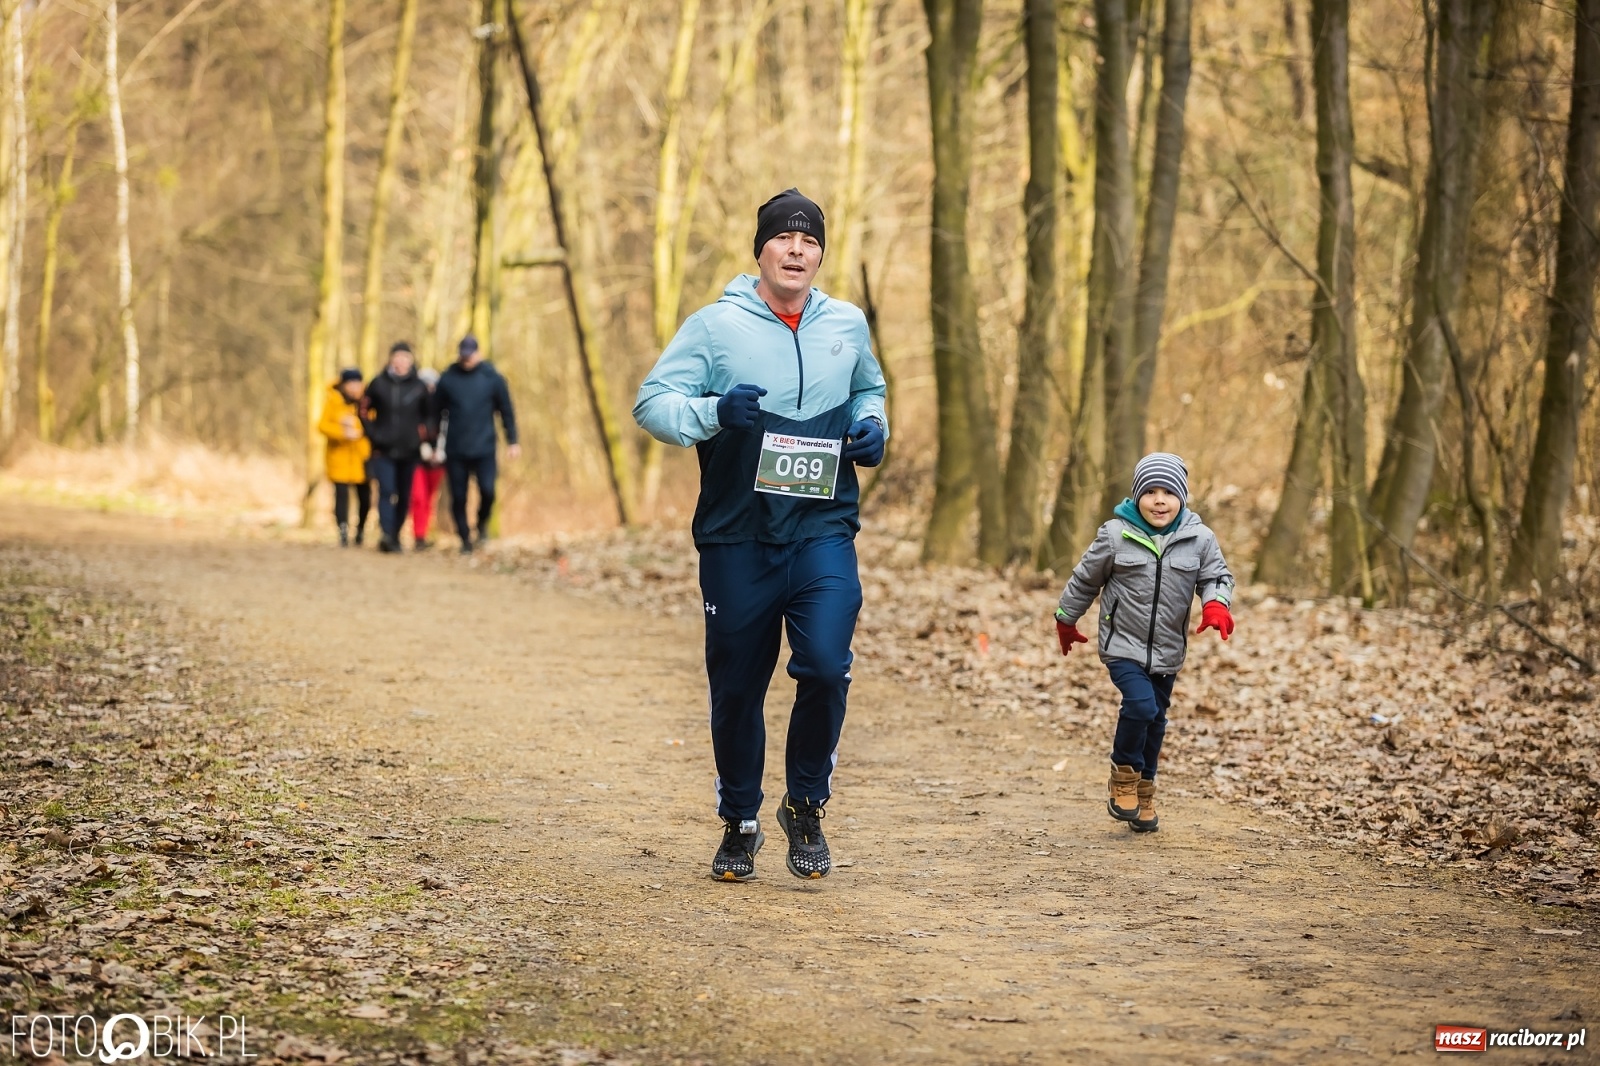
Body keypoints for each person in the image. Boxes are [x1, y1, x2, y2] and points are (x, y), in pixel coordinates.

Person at [633, 188, 888, 882]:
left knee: (827, 666)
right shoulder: (715, 327)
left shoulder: (847, 324)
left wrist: (873, 427)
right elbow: (652, 403)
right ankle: (740, 819)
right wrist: (714, 411)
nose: (796, 250)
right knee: (739, 687)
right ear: (761, 250)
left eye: (809, 241)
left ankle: (805, 804)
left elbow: (869, 390)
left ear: (820, 256)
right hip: (737, 534)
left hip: (822, 528)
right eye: (783, 238)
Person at [1053, 453, 1236, 834]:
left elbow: (1216, 577)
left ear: (1182, 497)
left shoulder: (1200, 539)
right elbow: (1085, 579)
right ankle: (1123, 775)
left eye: (1168, 493)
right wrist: (1066, 618)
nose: (1159, 500)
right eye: (1150, 492)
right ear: (1137, 496)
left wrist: (1216, 604)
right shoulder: (1115, 535)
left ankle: (1144, 789)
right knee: (1140, 705)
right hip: (1122, 643)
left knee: (1156, 719)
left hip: (1168, 649)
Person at [433, 335, 519, 554]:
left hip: (484, 447)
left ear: (478, 354)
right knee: (458, 496)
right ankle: (464, 539)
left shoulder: (492, 378)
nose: (466, 359)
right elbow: (435, 414)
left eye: (470, 355)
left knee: (488, 491)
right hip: (456, 448)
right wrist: (433, 445)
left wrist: (512, 441)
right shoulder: (447, 379)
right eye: (463, 355)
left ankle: (481, 524)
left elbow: (506, 411)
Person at [362, 342, 432, 553]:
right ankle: (386, 533)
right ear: (391, 359)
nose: (401, 361)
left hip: (410, 451)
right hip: (383, 450)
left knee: (403, 494)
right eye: (397, 357)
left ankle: (395, 534)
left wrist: (423, 436)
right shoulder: (378, 383)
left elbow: (430, 415)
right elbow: (363, 410)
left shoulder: (419, 386)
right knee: (386, 490)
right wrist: (373, 434)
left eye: (405, 357)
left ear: (411, 361)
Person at [317, 368, 372, 547]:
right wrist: (342, 432)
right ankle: (342, 531)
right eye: (350, 383)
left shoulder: (368, 402)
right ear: (343, 385)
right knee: (341, 496)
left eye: (357, 383)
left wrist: (359, 427)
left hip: (362, 457)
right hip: (339, 457)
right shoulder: (333, 401)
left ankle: (361, 530)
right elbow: (322, 425)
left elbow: (374, 424)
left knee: (365, 497)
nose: (354, 387)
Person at [410, 367, 447, 551]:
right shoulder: (412, 407)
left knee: (429, 498)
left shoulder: (444, 409)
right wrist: (422, 448)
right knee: (418, 497)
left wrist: (439, 451)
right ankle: (419, 535)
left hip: (438, 460)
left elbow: (446, 430)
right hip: (416, 459)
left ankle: (424, 532)